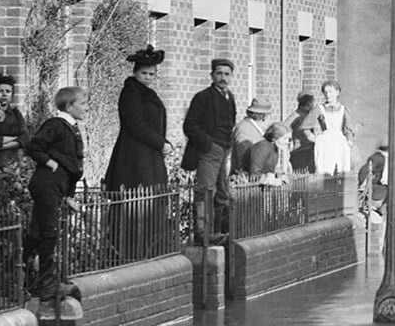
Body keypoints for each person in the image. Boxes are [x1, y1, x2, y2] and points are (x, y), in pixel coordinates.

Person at [24, 86, 87, 301]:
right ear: (69, 106)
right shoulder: (55, 125)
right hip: (47, 185)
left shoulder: (72, 127)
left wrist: (69, 195)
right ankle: (48, 286)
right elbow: (33, 147)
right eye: (83, 104)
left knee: (39, 232)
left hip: (58, 188)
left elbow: (73, 165)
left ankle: (23, 270)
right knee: (49, 233)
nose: (86, 108)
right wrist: (49, 162)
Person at [182, 58, 237, 238]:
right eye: (219, 73)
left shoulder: (230, 97)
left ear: (231, 77)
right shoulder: (203, 97)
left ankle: (217, 232)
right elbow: (190, 126)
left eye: (227, 74)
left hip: (225, 151)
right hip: (209, 151)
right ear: (212, 75)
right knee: (205, 191)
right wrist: (209, 144)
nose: (223, 77)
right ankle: (202, 234)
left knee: (222, 192)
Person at [105, 46, 170, 190]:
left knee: (151, 196)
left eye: (151, 74)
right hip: (134, 153)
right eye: (144, 73)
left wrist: (163, 143)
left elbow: (155, 124)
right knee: (137, 197)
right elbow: (136, 125)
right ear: (135, 72)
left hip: (149, 152)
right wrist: (161, 143)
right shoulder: (130, 92)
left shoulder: (149, 93)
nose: (147, 77)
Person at [314, 81, 354, 175]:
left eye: (331, 92)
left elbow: (348, 128)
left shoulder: (343, 109)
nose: (328, 95)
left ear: (337, 92)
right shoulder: (319, 109)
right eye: (325, 92)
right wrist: (313, 137)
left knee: (341, 166)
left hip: (339, 141)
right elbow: (306, 125)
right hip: (325, 142)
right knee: (325, 167)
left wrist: (349, 140)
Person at [232, 98, 274, 175]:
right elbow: (242, 156)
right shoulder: (244, 129)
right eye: (269, 116)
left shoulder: (256, 128)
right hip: (248, 178)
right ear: (263, 116)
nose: (270, 121)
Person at [289, 93, 320, 174]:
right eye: (312, 102)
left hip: (309, 150)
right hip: (299, 152)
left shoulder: (308, 115)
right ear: (309, 103)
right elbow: (284, 128)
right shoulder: (295, 116)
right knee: (299, 178)